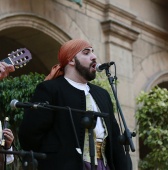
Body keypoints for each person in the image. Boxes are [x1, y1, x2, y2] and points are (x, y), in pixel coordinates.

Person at [18, 39, 132, 170]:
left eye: (93, 52)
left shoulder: (102, 94)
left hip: (103, 166)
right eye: (86, 53)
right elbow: (29, 135)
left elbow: (115, 140)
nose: (94, 57)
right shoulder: (50, 89)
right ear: (71, 60)